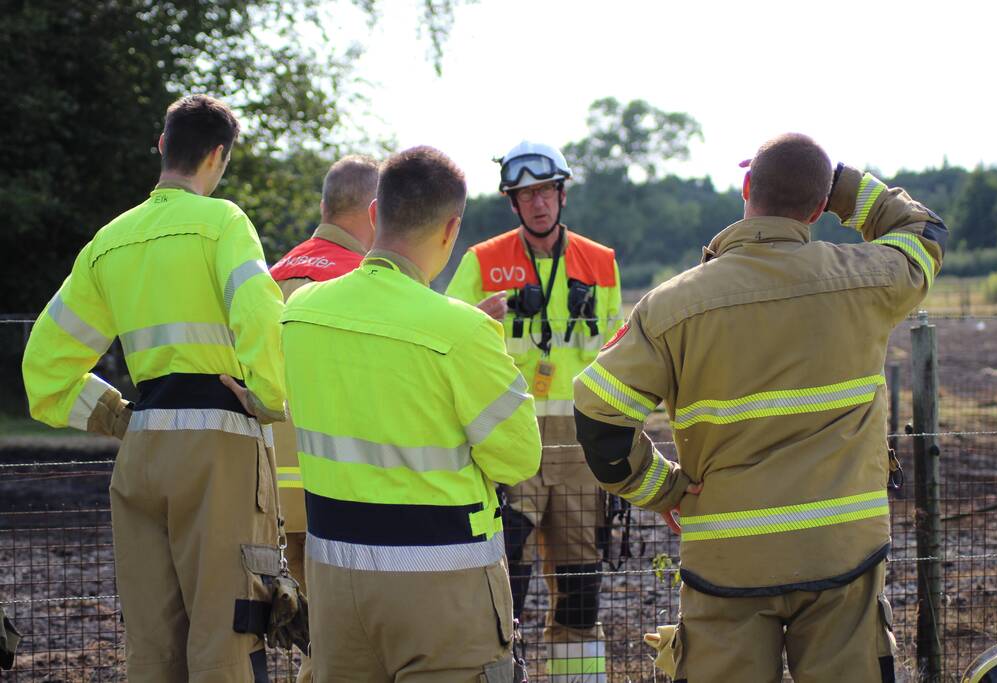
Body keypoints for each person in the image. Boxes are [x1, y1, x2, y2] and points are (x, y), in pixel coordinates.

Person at [573, 132, 948, 683]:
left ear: (747, 187)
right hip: (842, 552)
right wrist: (841, 183)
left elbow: (599, 413)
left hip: (727, 558)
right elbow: (924, 232)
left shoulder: (672, 305)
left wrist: (663, 490)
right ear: (819, 209)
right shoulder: (866, 278)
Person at [22, 94, 286, 682]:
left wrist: (119, 418)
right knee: (227, 638)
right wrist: (269, 397)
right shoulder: (224, 223)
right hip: (220, 449)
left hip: (141, 451)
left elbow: (43, 369)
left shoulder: (109, 240)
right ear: (218, 156)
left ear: (163, 146)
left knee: (151, 647)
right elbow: (259, 312)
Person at [281, 145, 542, 681]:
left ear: (375, 213)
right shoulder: (464, 331)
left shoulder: (299, 312)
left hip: (334, 581)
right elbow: (518, 459)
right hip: (444, 588)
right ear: (451, 230)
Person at [446, 141, 623, 680]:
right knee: (509, 578)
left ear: (562, 194)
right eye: (526, 195)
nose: (538, 203)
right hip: (510, 442)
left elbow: (617, 354)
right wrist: (477, 318)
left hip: (579, 446)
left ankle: (578, 678)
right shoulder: (483, 261)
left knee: (580, 585)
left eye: (546, 191)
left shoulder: (601, 262)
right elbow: (447, 342)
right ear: (512, 202)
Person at [267, 153, 378, 682]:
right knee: (346, 647)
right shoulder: (365, 282)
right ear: (376, 212)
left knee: (317, 641)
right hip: (342, 495)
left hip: (275, 499)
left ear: (323, 206)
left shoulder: (271, 277)